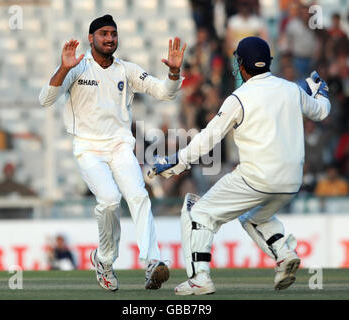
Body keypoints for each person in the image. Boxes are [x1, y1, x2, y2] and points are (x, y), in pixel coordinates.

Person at [149, 37, 331, 295]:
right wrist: (321, 91)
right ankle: (283, 253)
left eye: (238, 62)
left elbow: (207, 139)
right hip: (291, 181)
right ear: (268, 61)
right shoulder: (291, 89)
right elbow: (321, 112)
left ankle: (199, 279)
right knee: (255, 217)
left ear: (243, 66)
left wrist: (176, 163)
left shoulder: (239, 97)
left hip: (256, 179)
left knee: (197, 212)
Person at [39, 15, 186, 292]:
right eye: (103, 34)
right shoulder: (77, 68)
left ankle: (152, 261)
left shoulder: (126, 70)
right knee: (109, 200)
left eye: (113, 34)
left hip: (119, 145)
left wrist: (174, 73)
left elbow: (165, 93)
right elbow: (45, 100)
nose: (109, 39)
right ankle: (104, 260)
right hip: (87, 147)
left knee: (139, 195)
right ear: (91, 38)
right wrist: (62, 68)